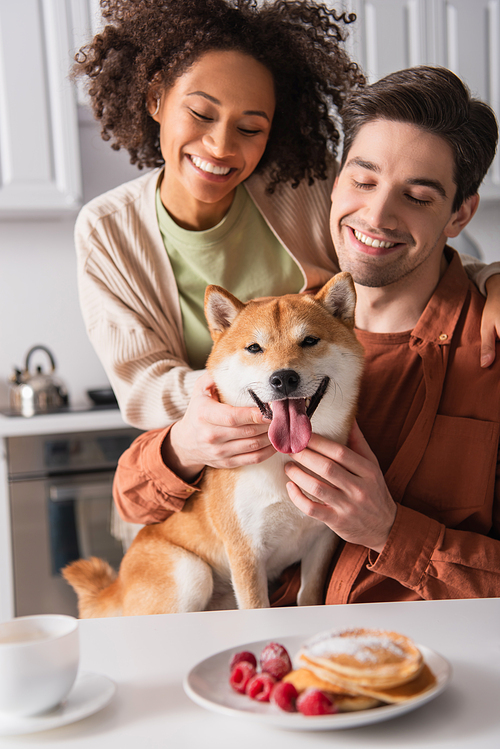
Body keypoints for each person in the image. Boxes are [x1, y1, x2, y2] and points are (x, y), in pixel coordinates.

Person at [114, 65, 500, 604]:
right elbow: (132, 500)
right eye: (362, 181)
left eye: (417, 196)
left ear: (460, 212)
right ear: (335, 183)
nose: (377, 215)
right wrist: (185, 444)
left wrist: (391, 533)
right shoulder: (285, 318)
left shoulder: (489, 347)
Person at [76, 0, 500, 480]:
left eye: (251, 127)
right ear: (155, 98)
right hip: (216, 454)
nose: (220, 146)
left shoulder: (305, 186)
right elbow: (142, 388)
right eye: (200, 113)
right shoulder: (106, 229)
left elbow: (394, 250)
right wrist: (247, 387)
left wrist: (491, 277)